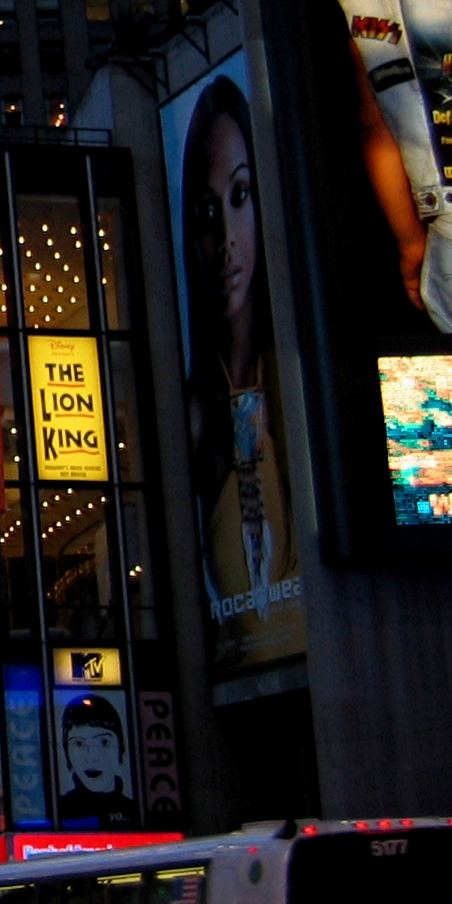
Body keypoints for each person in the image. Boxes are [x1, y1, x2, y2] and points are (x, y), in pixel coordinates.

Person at [180, 73, 303, 673]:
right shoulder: (198, 411)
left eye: (240, 196)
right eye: (207, 211)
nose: (226, 239)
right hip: (242, 674)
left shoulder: (300, 377)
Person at [54, 695, 136, 826]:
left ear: (120, 748)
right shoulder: (56, 812)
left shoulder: (136, 813)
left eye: (104, 742)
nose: (92, 757)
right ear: (67, 753)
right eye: (79, 744)